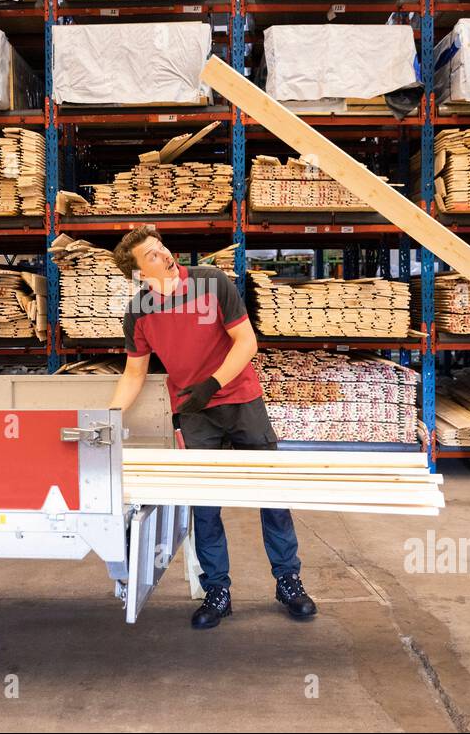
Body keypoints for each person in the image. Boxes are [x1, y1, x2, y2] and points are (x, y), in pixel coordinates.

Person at [107, 224, 316, 629]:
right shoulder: (138, 312)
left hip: (240, 400)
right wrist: (109, 416)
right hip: (195, 412)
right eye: (151, 255)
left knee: (271, 493)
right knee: (204, 504)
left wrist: (214, 383)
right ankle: (217, 590)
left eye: (161, 246)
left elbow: (247, 342)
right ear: (137, 274)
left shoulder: (211, 283)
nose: (164, 254)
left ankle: (288, 580)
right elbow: (134, 374)